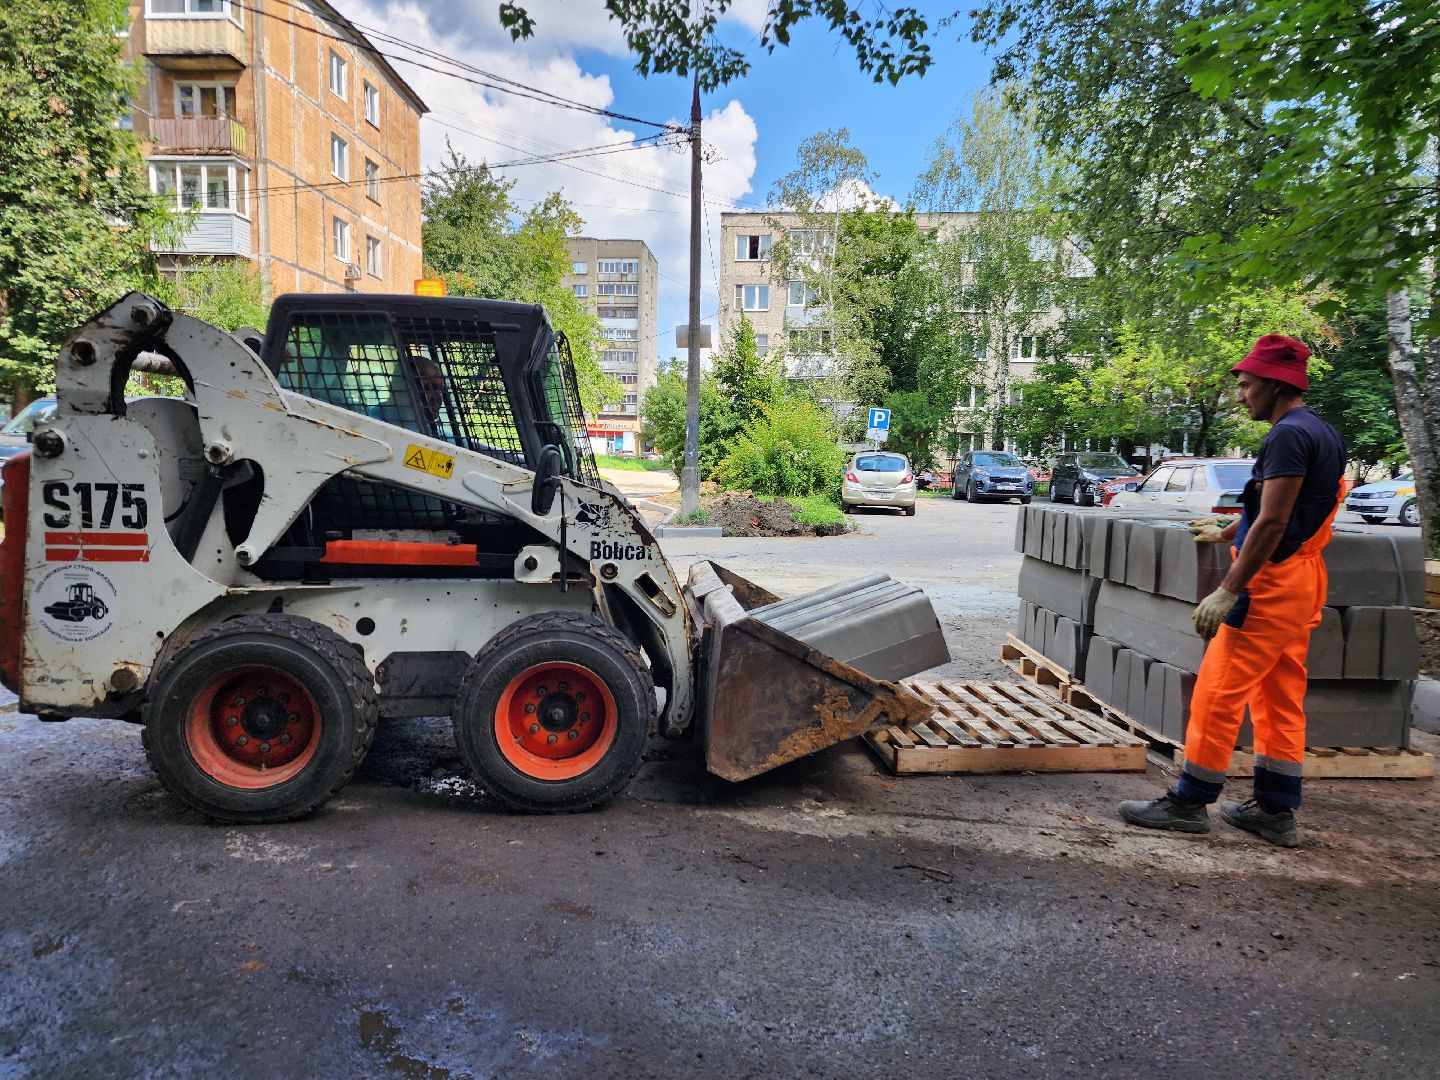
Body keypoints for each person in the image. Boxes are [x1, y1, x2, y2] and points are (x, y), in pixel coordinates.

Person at [1119, 334, 1346, 848]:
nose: (1241, 395)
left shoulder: (1286, 436)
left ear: (1274, 383)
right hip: (1303, 581)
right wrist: (1226, 531)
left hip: (1268, 587)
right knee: (1281, 696)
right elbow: (1295, 509)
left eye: (1246, 385)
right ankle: (1275, 809)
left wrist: (1227, 589)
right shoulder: (1323, 433)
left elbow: (1274, 520)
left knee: (1218, 693)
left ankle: (1189, 802)